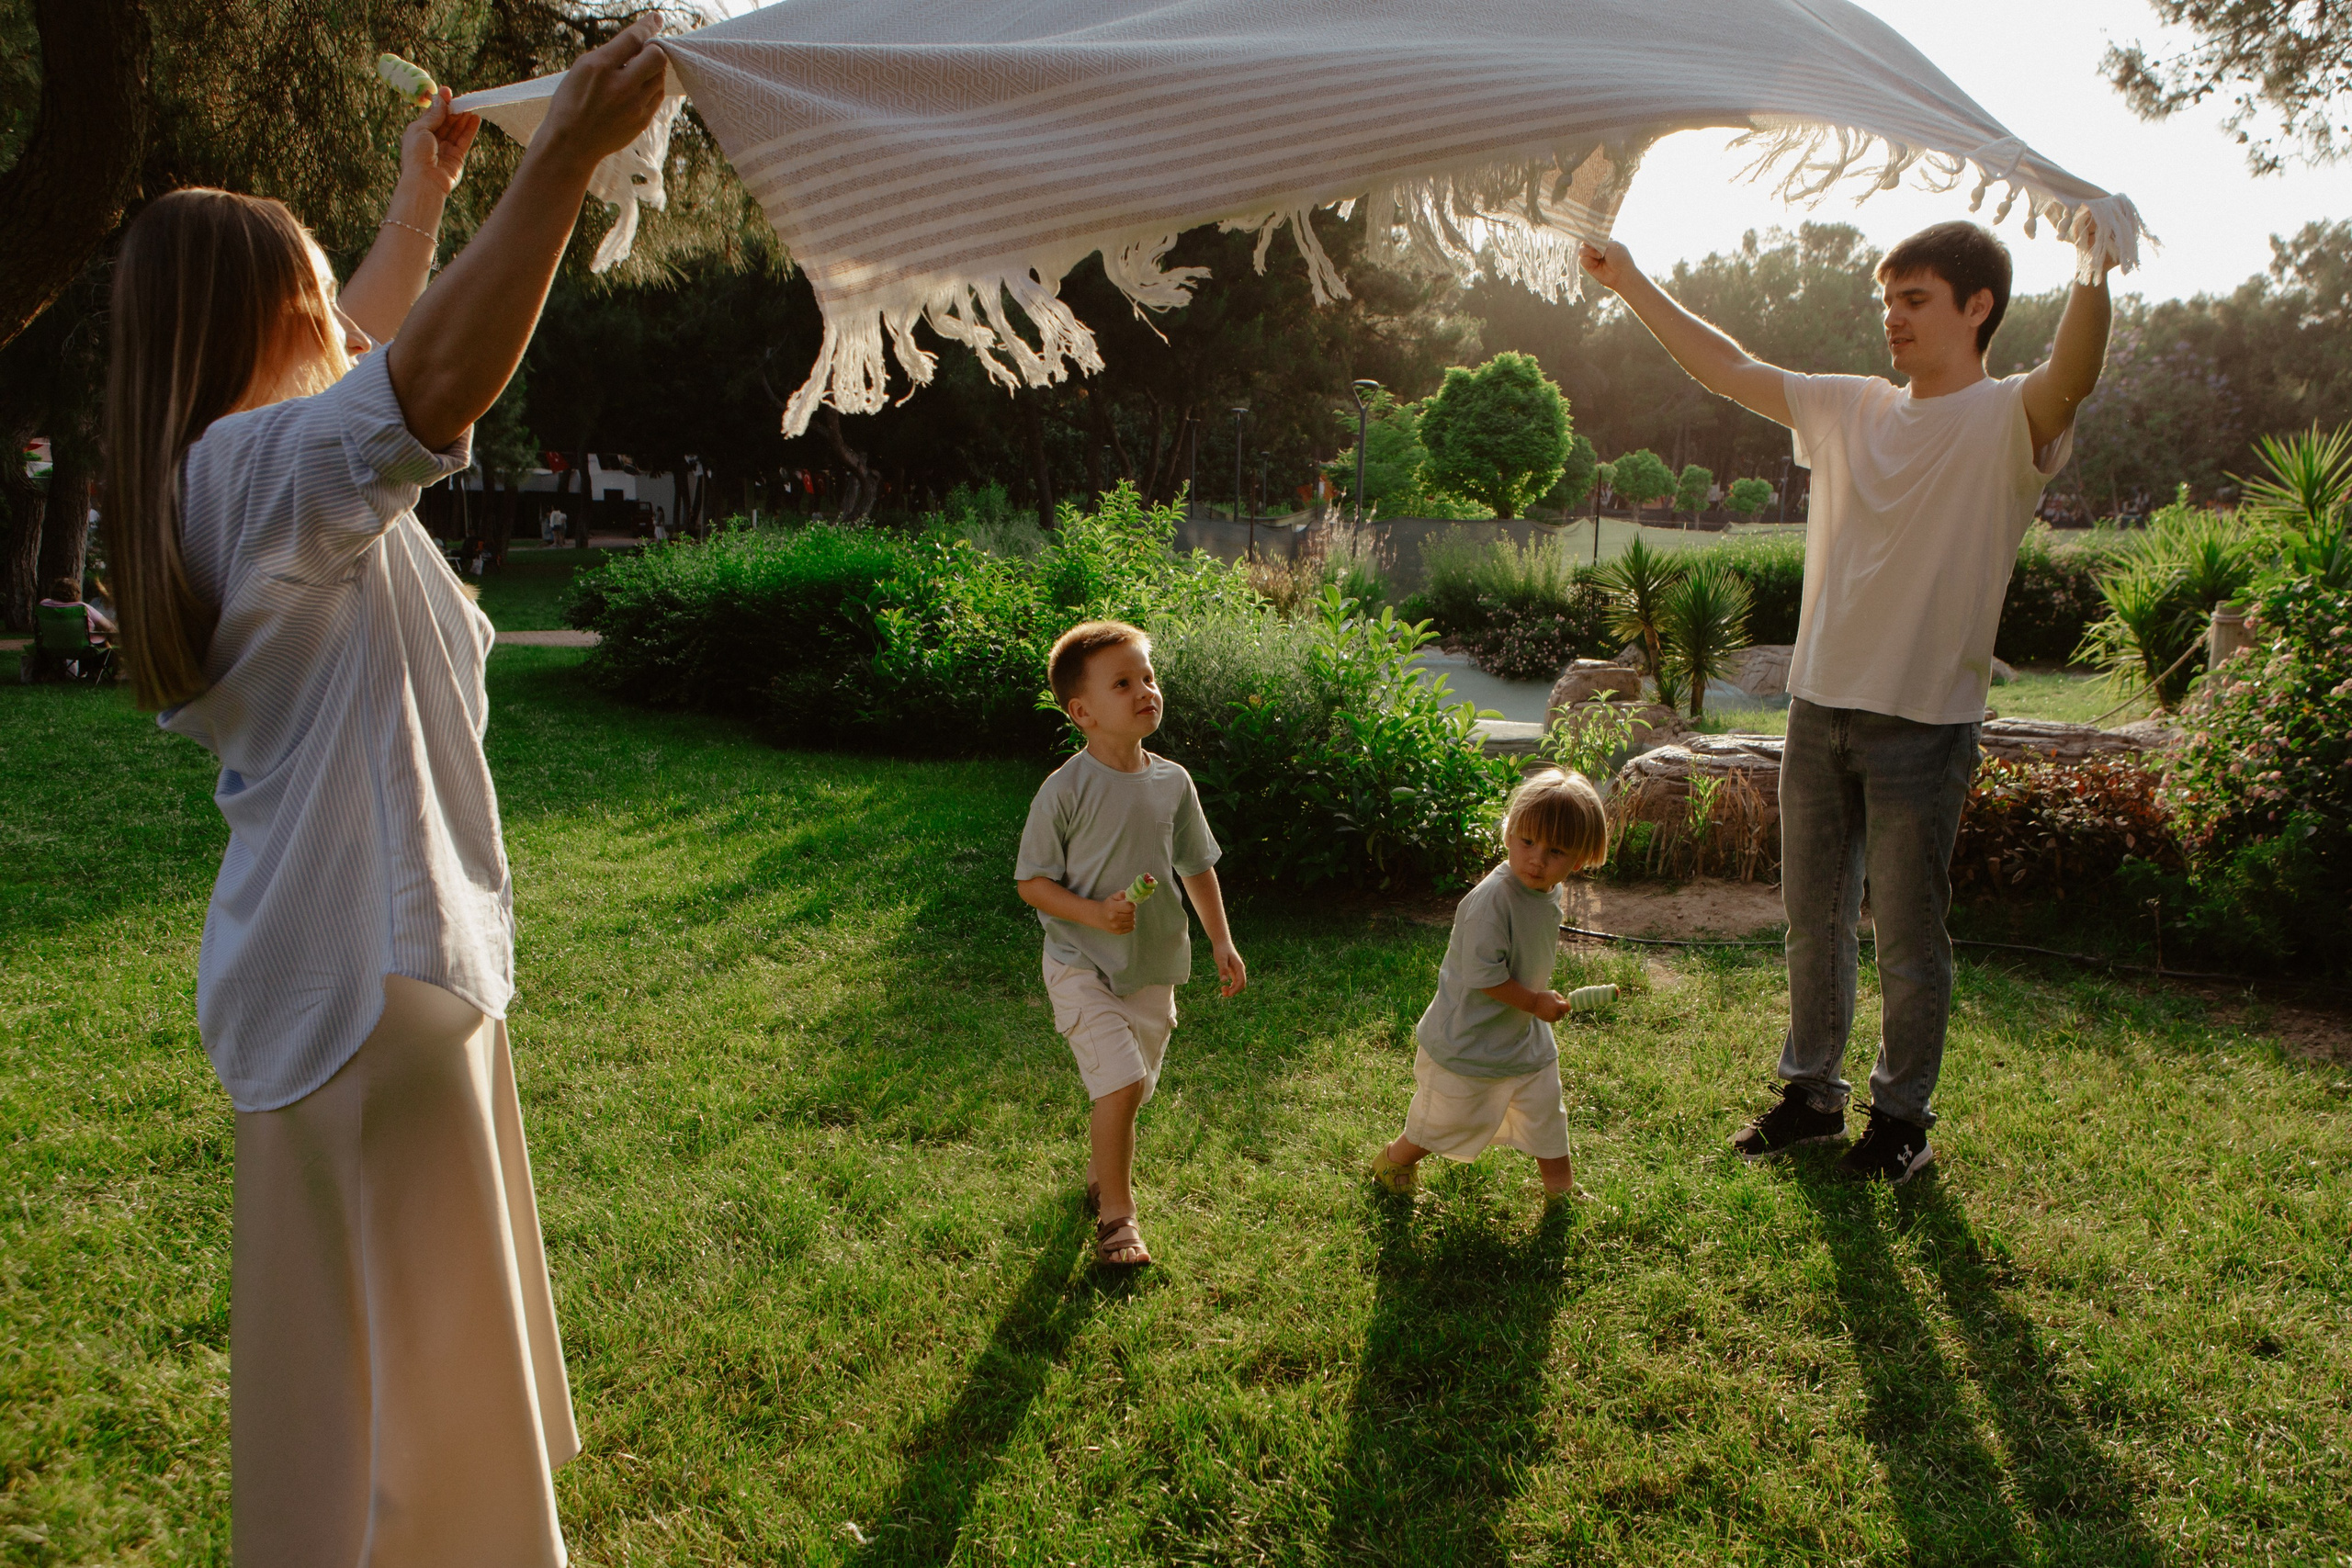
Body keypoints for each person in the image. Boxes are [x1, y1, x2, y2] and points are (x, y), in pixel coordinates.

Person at [100, 18, 671, 1565]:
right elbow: (419, 382)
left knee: (363, 1398)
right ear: (254, 330)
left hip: (350, 987)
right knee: (405, 1464)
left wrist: (423, 198)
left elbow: (370, 342)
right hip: (369, 990)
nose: (332, 317)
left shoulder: (229, 481)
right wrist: (560, 161)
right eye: (306, 297)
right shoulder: (262, 476)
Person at [1579, 219, 2113, 1182]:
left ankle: (1900, 1120)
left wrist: (2089, 272)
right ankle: (1810, 1098)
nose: (1892, 320)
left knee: (1908, 934)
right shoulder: (1850, 407)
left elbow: (2072, 373)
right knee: (1812, 919)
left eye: (1914, 301)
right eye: (1887, 302)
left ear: (1976, 306)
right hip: (1818, 708)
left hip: (1924, 723)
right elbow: (1727, 366)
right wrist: (1630, 282)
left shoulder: (2008, 419)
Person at [1015, 620, 1247, 1267]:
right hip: (1080, 963)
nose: (1145, 689)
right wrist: (1091, 911)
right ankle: (1118, 1219)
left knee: (1135, 1086)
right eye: (1124, 682)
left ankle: (1102, 1172)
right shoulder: (1065, 790)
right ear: (1083, 712)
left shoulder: (1172, 782)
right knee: (1118, 1084)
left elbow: (1196, 865)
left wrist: (1221, 941)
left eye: (1148, 676)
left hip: (1150, 966)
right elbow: (1030, 881)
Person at [1368, 769, 1608, 1202]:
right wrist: (1534, 1001)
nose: (1536, 859)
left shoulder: (1544, 893)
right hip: (1470, 1037)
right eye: (1527, 841)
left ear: (1580, 857)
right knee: (1444, 1120)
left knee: (1546, 1114)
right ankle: (1395, 1159)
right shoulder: (1492, 900)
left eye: (1555, 851)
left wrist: (1532, 1007)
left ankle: (1561, 1190)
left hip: (1520, 1036)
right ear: (1510, 831)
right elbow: (1484, 976)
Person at [38, 574, 117, 641]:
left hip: (51, 646)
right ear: (77, 593)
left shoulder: (44, 604)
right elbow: (109, 628)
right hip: (80, 649)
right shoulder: (83, 608)